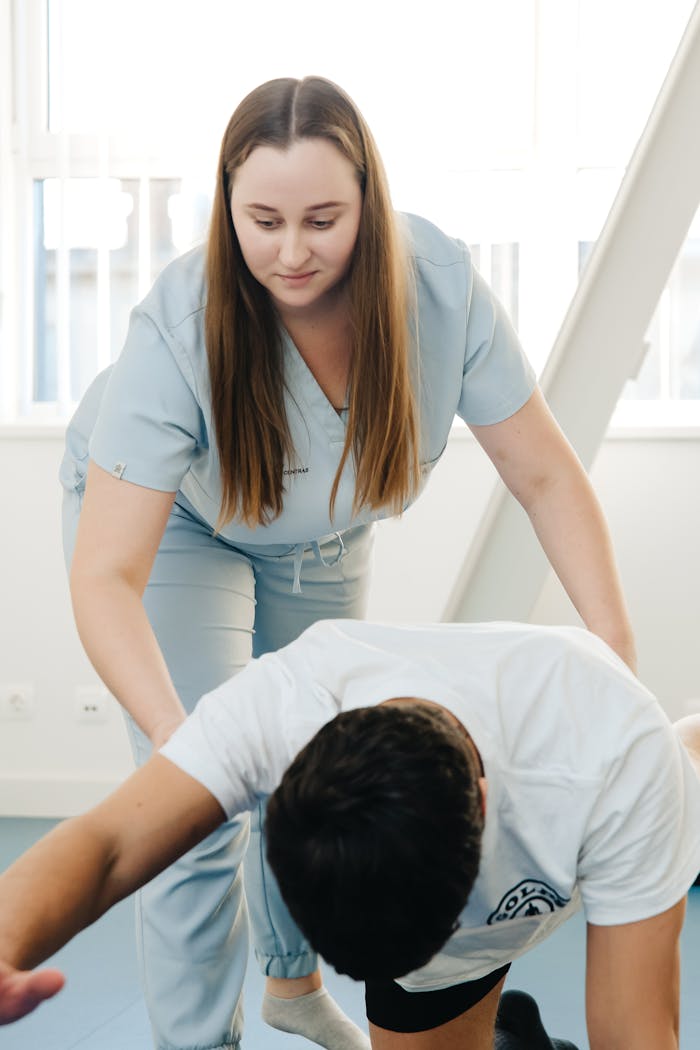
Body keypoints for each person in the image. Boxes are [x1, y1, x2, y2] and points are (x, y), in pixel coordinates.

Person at [59, 75, 637, 1050]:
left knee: (316, 772)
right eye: (263, 221)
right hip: (181, 531)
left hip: (321, 532)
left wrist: (612, 653)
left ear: (368, 199)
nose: (292, 252)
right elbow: (105, 573)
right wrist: (182, 745)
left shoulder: (441, 289)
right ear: (226, 209)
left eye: (323, 219)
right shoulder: (180, 323)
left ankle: (291, 984)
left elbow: (543, 477)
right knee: (200, 814)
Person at [1, 620, 698, 1050]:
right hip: (441, 934)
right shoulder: (280, 706)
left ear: (486, 808)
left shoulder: (610, 752)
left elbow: (636, 1038)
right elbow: (110, 844)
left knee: (678, 767)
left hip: (597, 843)